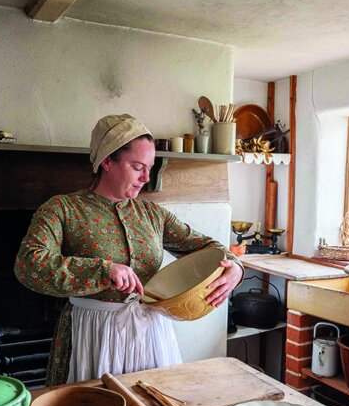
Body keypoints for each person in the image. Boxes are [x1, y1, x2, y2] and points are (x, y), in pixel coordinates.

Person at [14, 114, 243, 385]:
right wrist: (103, 270)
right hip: (94, 335)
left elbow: (209, 247)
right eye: (137, 167)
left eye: (150, 167)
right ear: (107, 161)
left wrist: (235, 269)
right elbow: (29, 264)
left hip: (151, 334)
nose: (146, 178)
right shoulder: (63, 209)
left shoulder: (153, 215)